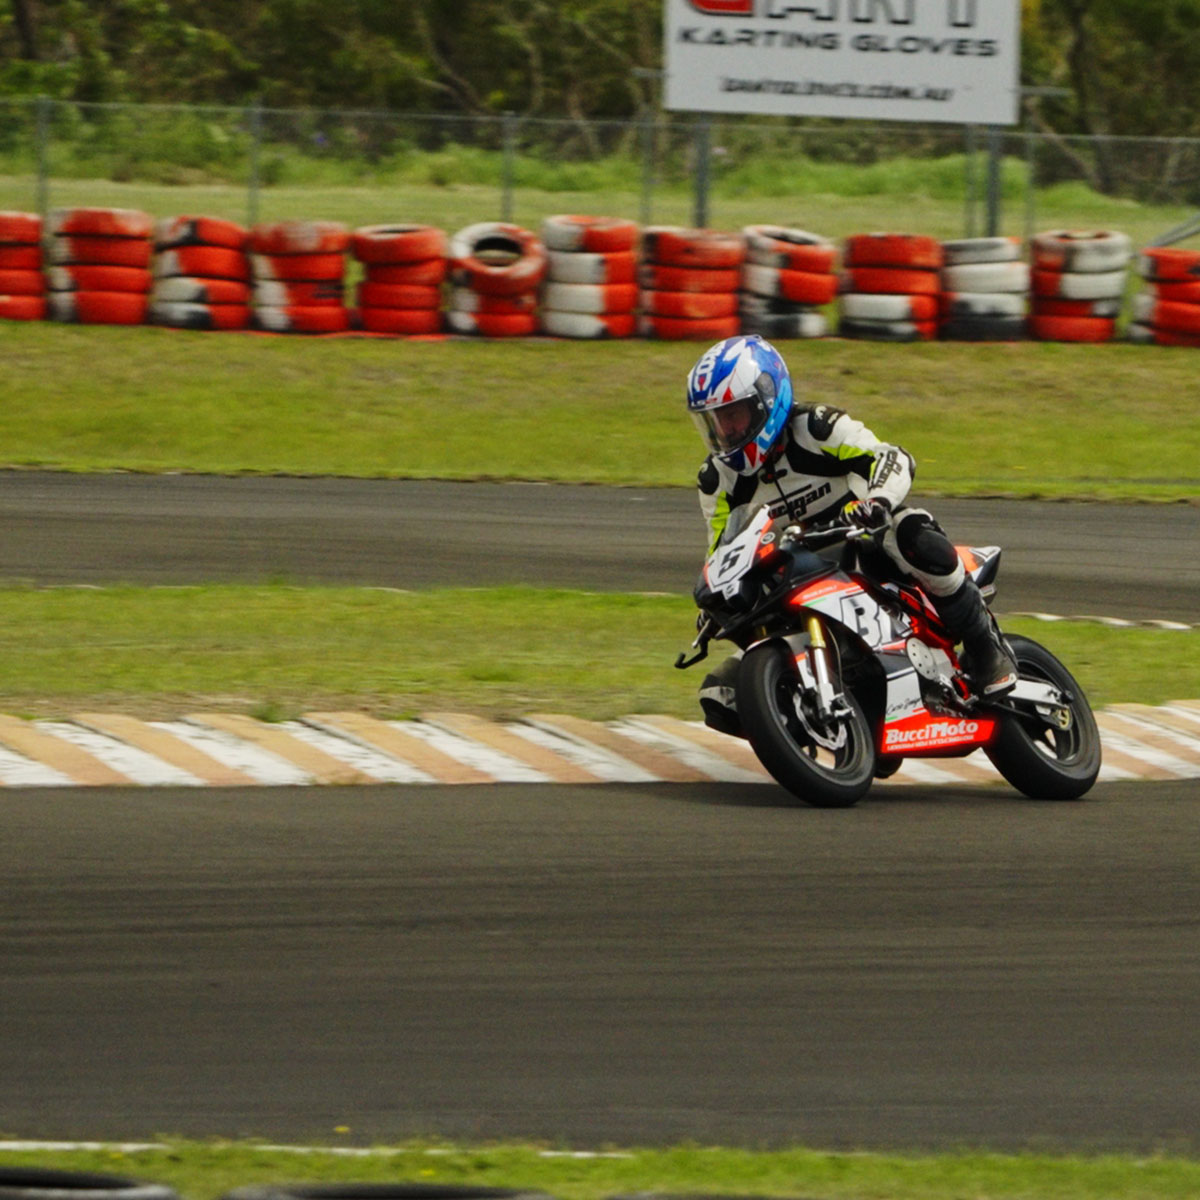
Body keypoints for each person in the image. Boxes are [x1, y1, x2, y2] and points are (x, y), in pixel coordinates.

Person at [685, 334, 1017, 737]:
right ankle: (829, 713)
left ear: (766, 400)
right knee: (723, 691)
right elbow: (722, 547)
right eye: (716, 420)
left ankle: (985, 646)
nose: (727, 430)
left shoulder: (816, 428)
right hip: (796, 567)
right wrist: (713, 599)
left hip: (865, 540)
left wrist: (877, 501)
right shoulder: (717, 481)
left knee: (912, 534)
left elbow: (891, 457)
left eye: (734, 414)